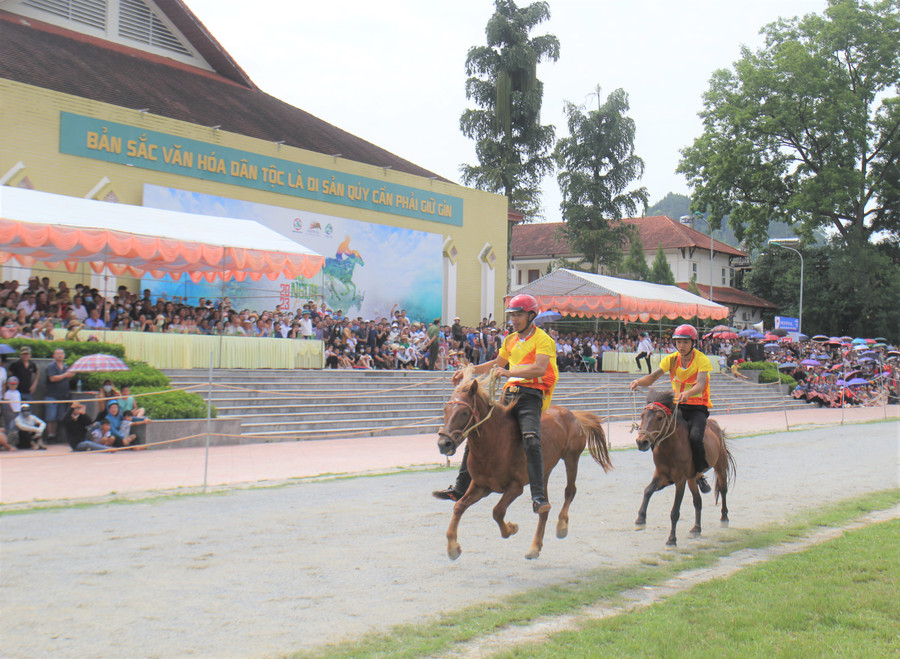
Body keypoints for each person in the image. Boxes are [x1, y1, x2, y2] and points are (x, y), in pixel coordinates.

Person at [432, 293, 558, 514]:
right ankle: (460, 488)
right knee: (477, 428)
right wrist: (468, 371)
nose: (514, 320)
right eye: (512, 315)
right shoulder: (510, 339)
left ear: (531, 315)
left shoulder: (543, 340)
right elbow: (496, 363)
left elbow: (539, 369)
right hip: (509, 393)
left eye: (518, 315)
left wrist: (509, 371)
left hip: (532, 395)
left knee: (531, 439)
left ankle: (538, 496)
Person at [629, 324, 713, 493]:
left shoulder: (702, 359)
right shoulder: (671, 359)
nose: (681, 346)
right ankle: (663, 469)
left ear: (693, 343)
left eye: (685, 342)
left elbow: (701, 383)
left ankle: (699, 474)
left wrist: (688, 393)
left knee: (696, 437)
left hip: (698, 407)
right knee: (658, 430)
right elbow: (653, 377)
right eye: (678, 342)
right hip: (678, 406)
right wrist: (639, 382)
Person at [45, 347, 76, 441]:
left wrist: (70, 375)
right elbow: (52, 378)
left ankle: (57, 436)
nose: (60, 355)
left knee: (60, 417)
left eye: (61, 353)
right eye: (57, 353)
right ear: (54, 355)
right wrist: (65, 375)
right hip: (52, 395)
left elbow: (67, 379)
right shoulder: (51, 366)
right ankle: (50, 435)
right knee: (51, 417)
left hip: (63, 396)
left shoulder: (66, 367)